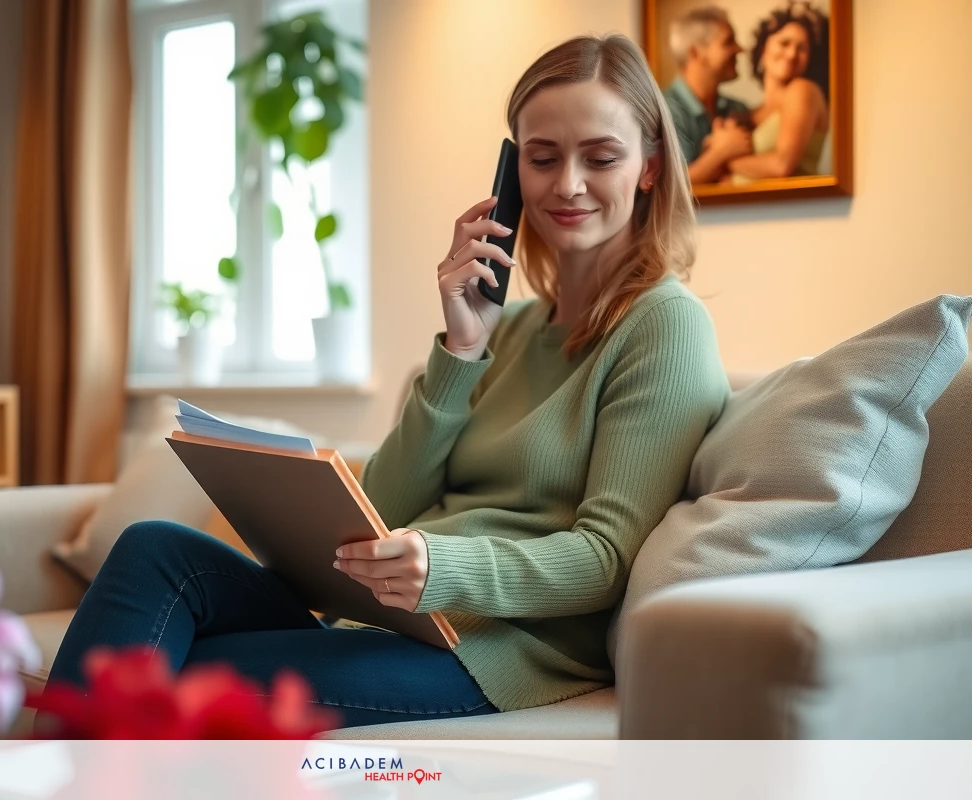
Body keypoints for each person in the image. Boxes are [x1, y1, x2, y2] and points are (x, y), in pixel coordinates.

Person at [46, 34, 731, 730]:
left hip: (493, 651)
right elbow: (385, 504)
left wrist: (442, 566)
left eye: (602, 157)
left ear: (649, 165)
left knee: (160, 672)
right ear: (511, 170)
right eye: (542, 157)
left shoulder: (664, 327)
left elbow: (606, 559)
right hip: (398, 618)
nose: (568, 184)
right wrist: (462, 349)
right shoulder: (512, 326)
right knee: (154, 547)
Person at [727, 2, 830, 184]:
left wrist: (725, 160)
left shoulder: (803, 90)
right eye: (784, 43)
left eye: (802, 48)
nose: (791, 54)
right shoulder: (751, 112)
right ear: (763, 50)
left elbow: (782, 166)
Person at [663, 5, 753, 185]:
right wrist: (722, 151)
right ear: (695, 53)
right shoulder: (661, 110)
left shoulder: (738, 108)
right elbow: (672, 187)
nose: (740, 50)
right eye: (728, 42)